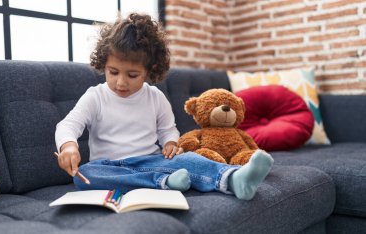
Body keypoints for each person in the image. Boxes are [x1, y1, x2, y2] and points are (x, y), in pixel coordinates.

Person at [55, 13, 274, 200]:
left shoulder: (155, 97)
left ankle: (234, 179)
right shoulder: (96, 96)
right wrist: (69, 146)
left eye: (132, 75)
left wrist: (170, 142)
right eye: (113, 72)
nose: (121, 82)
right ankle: (165, 182)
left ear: (150, 70)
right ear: (104, 64)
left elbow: (168, 129)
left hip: (153, 161)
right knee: (84, 174)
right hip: (109, 167)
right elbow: (68, 125)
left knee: (190, 158)